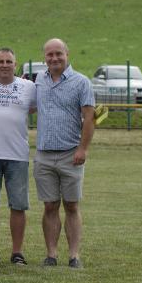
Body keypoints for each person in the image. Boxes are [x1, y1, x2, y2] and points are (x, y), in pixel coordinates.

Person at [34, 38, 94, 269]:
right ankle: (51, 254)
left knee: (71, 205)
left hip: (71, 154)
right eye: (49, 54)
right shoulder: (39, 80)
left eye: (58, 53)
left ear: (67, 54)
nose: (54, 58)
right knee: (50, 206)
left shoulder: (81, 82)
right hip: (44, 155)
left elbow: (89, 118)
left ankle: (74, 255)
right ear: (44, 58)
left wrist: (83, 149)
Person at [0, 47, 36, 266]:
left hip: (17, 155)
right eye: (0, 61)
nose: (4, 65)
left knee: (18, 205)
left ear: (15, 64)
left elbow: (32, 109)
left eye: (8, 61)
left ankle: (17, 251)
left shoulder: (28, 87)